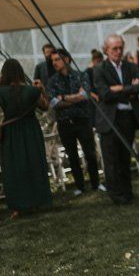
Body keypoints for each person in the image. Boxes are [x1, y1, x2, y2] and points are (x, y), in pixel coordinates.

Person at [0, 59, 54, 218]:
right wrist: (42, 90)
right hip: (31, 131)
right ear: (20, 72)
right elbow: (44, 107)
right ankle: (37, 202)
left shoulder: (1, 91)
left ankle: (18, 207)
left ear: (4, 73)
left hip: (11, 133)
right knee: (34, 164)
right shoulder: (31, 91)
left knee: (14, 168)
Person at [94, 34, 139, 205]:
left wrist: (121, 88)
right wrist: (130, 89)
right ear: (106, 50)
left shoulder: (130, 66)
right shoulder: (100, 69)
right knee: (111, 158)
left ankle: (127, 191)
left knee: (125, 156)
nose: (118, 51)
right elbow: (105, 94)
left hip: (127, 117)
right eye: (114, 48)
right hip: (110, 119)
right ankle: (116, 195)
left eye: (120, 48)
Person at [48, 49, 100, 196]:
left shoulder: (80, 75)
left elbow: (85, 96)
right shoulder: (52, 81)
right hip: (64, 122)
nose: (55, 63)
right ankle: (80, 186)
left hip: (82, 119)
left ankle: (96, 183)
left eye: (57, 59)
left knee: (90, 152)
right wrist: (75, 97)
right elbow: (53, 103)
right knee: (72, 155)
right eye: (53, 61)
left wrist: (63, 98)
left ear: (67, 59)